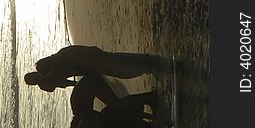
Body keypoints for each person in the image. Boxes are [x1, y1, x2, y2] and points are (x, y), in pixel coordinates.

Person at [35, 45, 171, 81]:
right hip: (98, 58)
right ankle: (156, 64)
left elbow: (78, 66)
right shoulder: (61, 56)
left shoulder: (61, 61)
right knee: (127, 61)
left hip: (99, 63)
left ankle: (155, 67)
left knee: (126, 70)